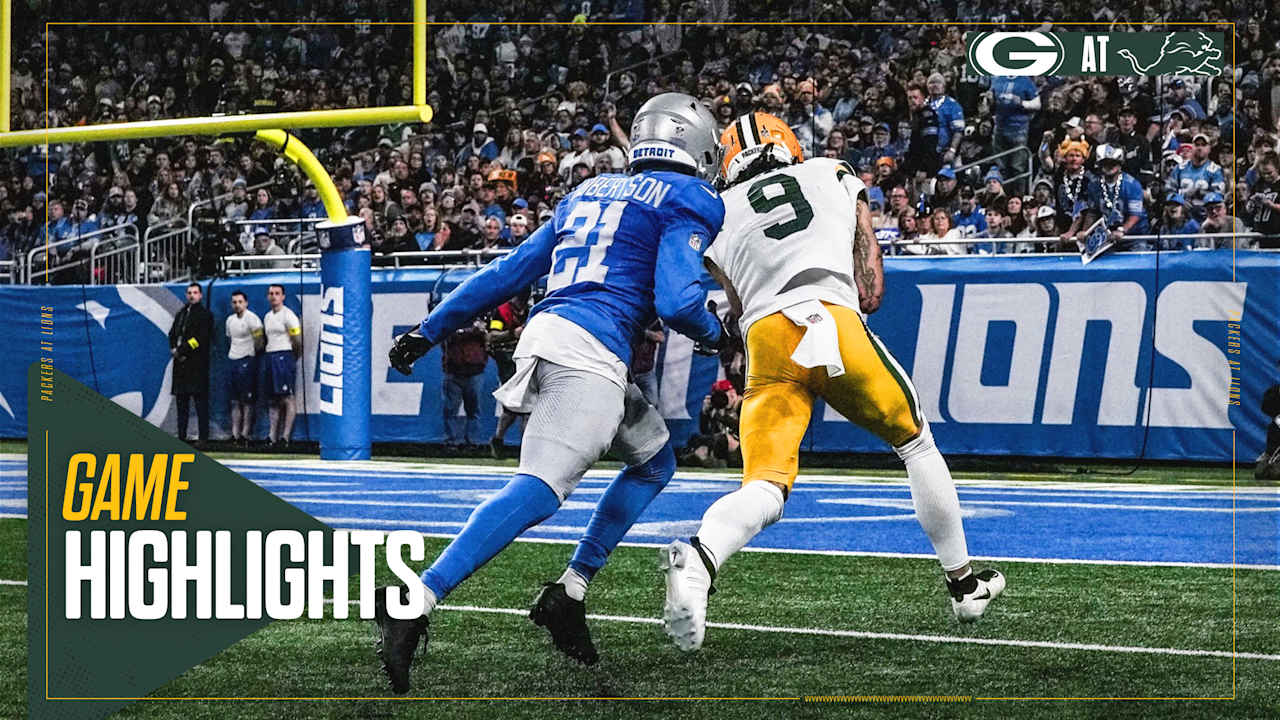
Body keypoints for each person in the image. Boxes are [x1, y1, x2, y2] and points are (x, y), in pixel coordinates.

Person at [375, 93, 727, 690]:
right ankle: (418, 597)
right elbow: (676, 301)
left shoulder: (586, 192)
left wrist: (429, 329)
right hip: (589, 351)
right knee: (540, 490)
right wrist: (717, 333)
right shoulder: (689, 196)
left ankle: (569, 591)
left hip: (563, 335)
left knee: (653, 461)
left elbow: (508, 272)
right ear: (695, 146)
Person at [660, 112, 1003, 653]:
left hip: (767, 341)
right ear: (788, 144)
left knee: (765, 486)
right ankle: (962, 582)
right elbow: (870, 291)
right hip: (830, 318)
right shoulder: (832, 172)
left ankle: (700, 560)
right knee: (914, 441)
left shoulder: (717, 213)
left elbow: (740, 303)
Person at [486, 291, 531, 458]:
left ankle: (525, 449)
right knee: (513, 406)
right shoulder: (501, 312)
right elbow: (492, 336)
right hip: (507, 361)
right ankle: (498, 439)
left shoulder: (531, 310)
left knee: (529, 406)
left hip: (527, 359)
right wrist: (513, 333)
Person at [168, 282, 213, 447]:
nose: (192, 295)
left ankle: (203, 437)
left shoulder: (205, 315)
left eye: (195, 292)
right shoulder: (181, 314)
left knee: (201, 404)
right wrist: (174, 348)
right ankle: (181, 436)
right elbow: (172, 333)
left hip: (197, 366)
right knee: (182, 404)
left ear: (200, 295)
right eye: (189, 292)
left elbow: (199, 339)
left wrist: (181, 350)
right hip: (180, 366)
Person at [262, 283, 301, 449]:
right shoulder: (267, 316)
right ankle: (272, 436)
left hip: (284, 356)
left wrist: (292, 357)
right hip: (271, 356)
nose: (273, 296)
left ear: (283, 297)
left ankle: (285, 437)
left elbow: (297, 340)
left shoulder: (288, 315)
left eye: (277, 293)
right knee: (273, 399)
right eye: (271, 293)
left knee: (287, 397)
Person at [440, 319, 488, 449]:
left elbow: (485, 335)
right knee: (451, 409)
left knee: (472, 409)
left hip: (473, 369)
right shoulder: (450, 319)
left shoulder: (479, 319)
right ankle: (452, 441)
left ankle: (471, 441)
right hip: (454, 370)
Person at [224, 290, 264, 447]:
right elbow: (229, 339)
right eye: (234, 302)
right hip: (233, 360)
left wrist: (250, 355)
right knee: (234, 401)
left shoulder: (253, 319)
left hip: (247, 361)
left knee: (247, 401)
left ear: (246, 303)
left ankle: (245, 434)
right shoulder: (229, 320)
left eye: (240, 302)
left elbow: (260, 341)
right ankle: (235, 434)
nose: (237, 305)